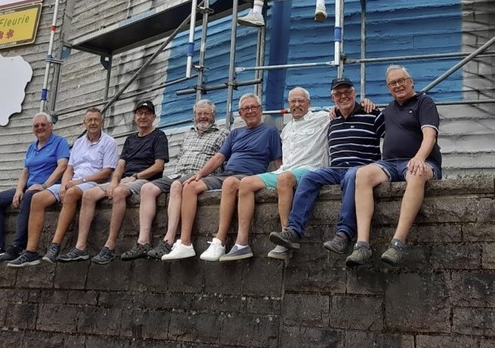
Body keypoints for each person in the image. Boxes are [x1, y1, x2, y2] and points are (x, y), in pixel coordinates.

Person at [269, 77, 384, 255]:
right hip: (335, 169)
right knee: (309, 177)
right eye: (338, 94)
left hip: (362, 168)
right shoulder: (332, 119)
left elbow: (392, 135)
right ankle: (293, 230)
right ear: (333, 98)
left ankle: (343, 234)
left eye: (347, 92)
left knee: (351, 176)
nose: (343, 96)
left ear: (354, 94)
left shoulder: (372, 114)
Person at [162, 93, 282, 261]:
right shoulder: (235, 133)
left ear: (261, 110)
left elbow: (278, 160)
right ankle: (185, 243)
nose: (250, 111)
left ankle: (219, 242)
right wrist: (200, 174)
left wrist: (280, 182)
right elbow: (219, 157)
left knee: (230, 183)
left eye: (253, 107)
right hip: (226, 175)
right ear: (240, 114)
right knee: (189, 186)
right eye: (245, 109)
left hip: (248, 177)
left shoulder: (270, 131)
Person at [345, 65, 442, 268]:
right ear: (388, 88)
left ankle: (398, 243)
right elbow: (355, 111)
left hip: (420, 162)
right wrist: (336, 110)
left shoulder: (424, 102)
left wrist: (419, 158)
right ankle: (362, 245)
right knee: (362, 174)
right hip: (390, 164)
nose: (397, 86)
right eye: (392, 83)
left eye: (401, 81)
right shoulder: (388, 110)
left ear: (410, 81)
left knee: (416, 173)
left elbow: (430, 135)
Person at [218, 86, 329, 262]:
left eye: (301, 101)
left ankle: (286, 237)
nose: (297, 104)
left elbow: (341, 109)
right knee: (245, 183)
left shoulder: (322, 118)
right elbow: (281, 162)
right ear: (289, 104)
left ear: (309, 103)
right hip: (285, 170)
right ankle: (241, 244)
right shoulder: (286, 129)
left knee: (284, 179)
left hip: (310, 169)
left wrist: (364, 104)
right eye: (293, 101)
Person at [57, 100, 169, 264]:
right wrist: (114, 181)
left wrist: (135, 177)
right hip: (125, 179)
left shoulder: (159, 135)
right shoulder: (131, 139)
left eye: (147, 114)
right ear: (134, 117)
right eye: (140, 113)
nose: (143, 117)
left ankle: (109, 246)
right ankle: (80, 247)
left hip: (146, 180)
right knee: (89, 194)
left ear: (153, 117)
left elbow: (158, 166)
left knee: (118, 192)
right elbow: (121, 164)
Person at [7, 108, 118, 267]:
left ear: (102, 122)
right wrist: (63, 185)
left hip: (94, 182)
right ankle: (31, 252)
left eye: (96, 120)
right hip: (73, 181)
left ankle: (55, 246)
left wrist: (78, 182)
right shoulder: (79, 143)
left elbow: (106, 172)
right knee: (37, 199)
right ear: (84, 123)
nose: (93, 123)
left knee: (71, 193)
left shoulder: (109, 142)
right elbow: (69, 168)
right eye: (89, 120)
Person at [118, 99, 227, 261]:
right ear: (194, 116)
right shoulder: (189, 133)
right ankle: (143, 242)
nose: (202, 117)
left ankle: (168, 241)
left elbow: (221, 161)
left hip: (200, 175)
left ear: (214, 115)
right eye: (199, 114)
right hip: (178, 173)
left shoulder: (222, 134)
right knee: (147, 189)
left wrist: (202, 174)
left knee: (177, 185)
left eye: (206, 114)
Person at [0, 112, 70, 262]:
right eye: (36, 126)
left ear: (50, 126)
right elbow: (25, 171)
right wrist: (18, 190)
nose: (40, 128)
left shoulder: (59, 142)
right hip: (29, 187)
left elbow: (62, 166)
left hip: (48, 187)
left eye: (43, 125)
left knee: (30, 196)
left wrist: (44, 185)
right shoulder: (32, 147)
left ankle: (18, 246)